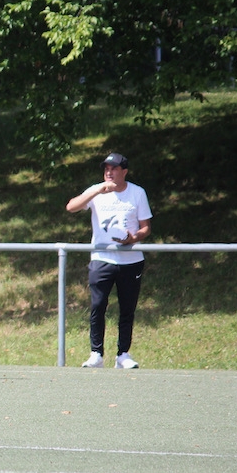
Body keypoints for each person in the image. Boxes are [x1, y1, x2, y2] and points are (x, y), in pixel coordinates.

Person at [65, 152, 153, 369]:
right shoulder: (96, 191)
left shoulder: (137, 193)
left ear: (124, 172)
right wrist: (97, 190)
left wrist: (134, 238)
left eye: (114, 169)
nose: (109, 172)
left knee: (127, 309)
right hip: (101, 259)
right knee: (98, 306)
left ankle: (123, 354)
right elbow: (71, 207)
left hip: (130, 261)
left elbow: (146, 227)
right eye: (106, 169)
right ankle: (96, 354)